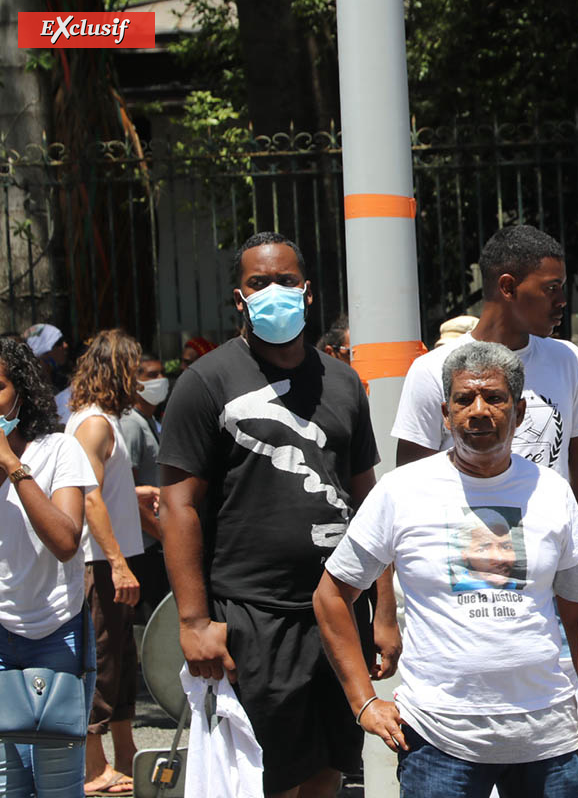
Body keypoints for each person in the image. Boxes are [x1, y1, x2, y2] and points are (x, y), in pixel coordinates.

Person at [314, 342, 578, 797]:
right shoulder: (402, 491)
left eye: (494, 398)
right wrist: (363, 702)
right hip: (438, 744)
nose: (478, 411)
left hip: (548, 742)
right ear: (444, 411)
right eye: (464, 399)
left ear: (520, 408)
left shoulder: (552, 492)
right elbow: (331, 595)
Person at [158, 231, 399, 798]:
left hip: (338, 612)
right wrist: (193, 623)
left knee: (329, 772)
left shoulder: (342, 382)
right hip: (253, 617)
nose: (274, 292)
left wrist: (385, 612)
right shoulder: (206, 382)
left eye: (286, 281)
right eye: (258, 283)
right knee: (264, 780)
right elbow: (178, 505)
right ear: (239, 298)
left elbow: (371, 505)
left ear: (308, 291)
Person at [391, 225, 578, 664]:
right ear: (508, 287)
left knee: (575, 721)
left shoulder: (569, 361)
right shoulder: (432, 370)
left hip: (561, 578)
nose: (561, 300)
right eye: (551, 288)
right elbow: (407, 495)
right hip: (474, 588)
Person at [0, 337, 98, 797]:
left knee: (58, 785)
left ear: (20, 391)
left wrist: (11, 464)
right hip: (0, 635)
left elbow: (64, 540)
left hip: (56, 634)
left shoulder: (58, 450)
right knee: (8, 785)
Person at [65, 329, 145, 797]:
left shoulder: (100, 421)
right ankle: (95, 770)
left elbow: (108, 492)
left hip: (111, 558)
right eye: (134, 368)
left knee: (121, 659)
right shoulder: (94, 424)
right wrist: (116, 562)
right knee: (101, 660)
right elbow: (87, 495)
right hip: (98, 562)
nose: (139, 379)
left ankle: (126, 754)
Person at [118, 353, 170, 619]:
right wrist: (162, 533)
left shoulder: (150, 421)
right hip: (145, 544)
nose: (160, 380)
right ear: (134, 383)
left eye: (162, 373)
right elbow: (129, 492)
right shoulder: (131, 425)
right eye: (151, 375)